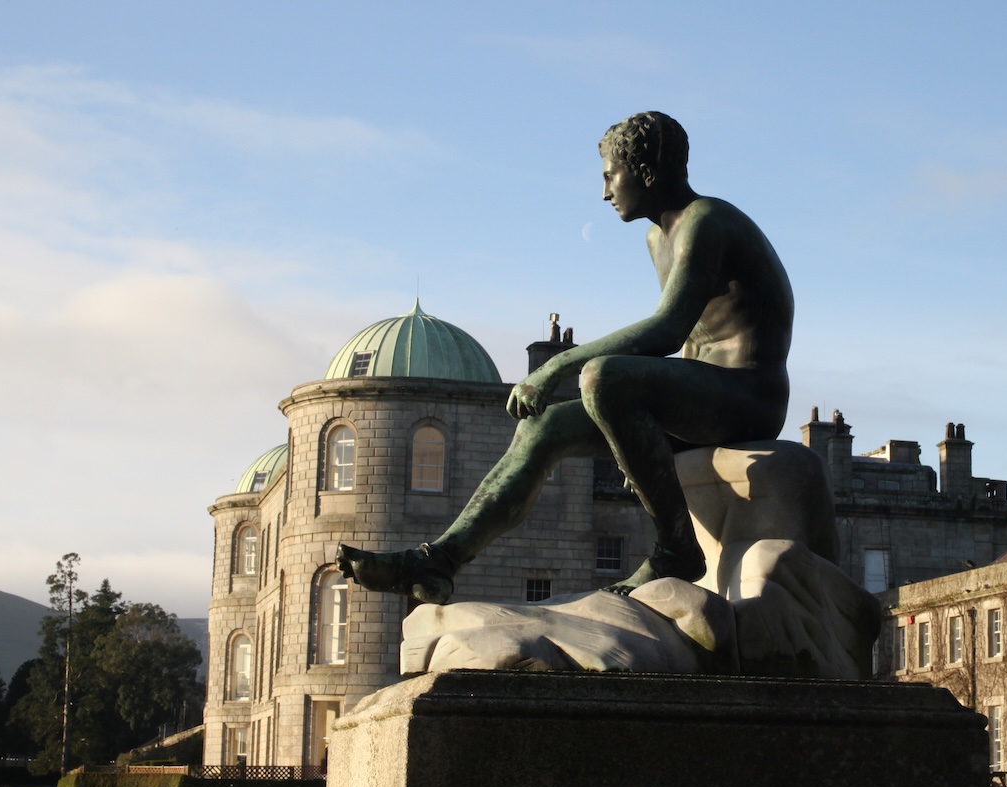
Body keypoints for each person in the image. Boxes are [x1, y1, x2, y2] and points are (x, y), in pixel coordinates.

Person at [338, 111, 795, 603]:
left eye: (609, 175)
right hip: (702, 398)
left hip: (748, 399)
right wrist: (634, 431)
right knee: (543, 428)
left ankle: (675, 548)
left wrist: (558, 366)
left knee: (602, 377)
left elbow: (667, 328)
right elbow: (694, 338)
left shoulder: (706, 221)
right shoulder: (657, 236)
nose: (604, 193)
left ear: (645, 170)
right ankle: (441, 559)